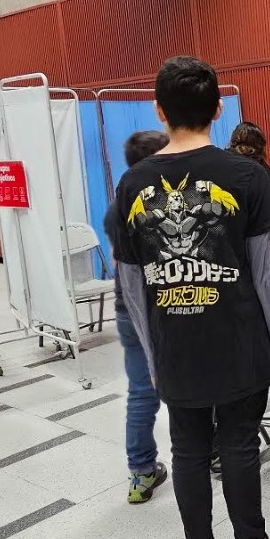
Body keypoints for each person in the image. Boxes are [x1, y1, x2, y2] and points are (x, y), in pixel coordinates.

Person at [109, 56, 270, 539]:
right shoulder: (246, 175)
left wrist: (152, 353)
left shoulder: (133, 183)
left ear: (159, 110)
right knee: (238, 443)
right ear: (219, 109)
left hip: (175, 346)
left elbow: (132, 284)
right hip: (240, 340)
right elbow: (267, 272)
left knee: (189, 449)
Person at [104, 130, 169, 504]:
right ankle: (209, 451)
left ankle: (141, 473)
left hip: (127, 310)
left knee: (141, 393)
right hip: (160, 308)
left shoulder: (118, 206)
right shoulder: (155, 206)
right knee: (188, 384)